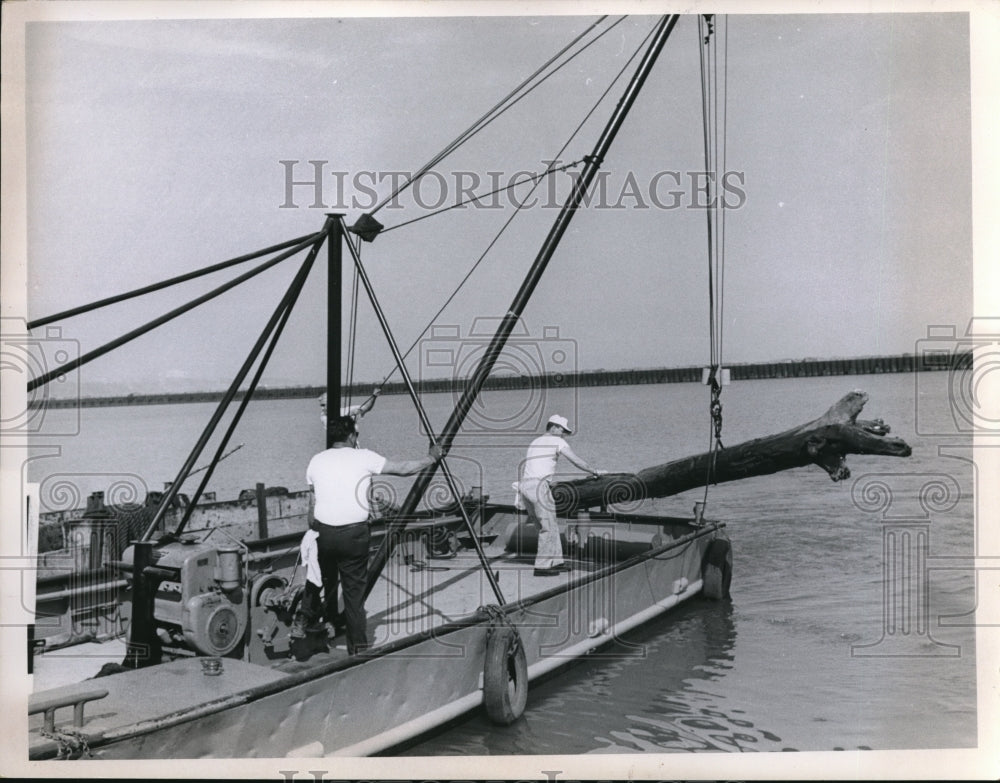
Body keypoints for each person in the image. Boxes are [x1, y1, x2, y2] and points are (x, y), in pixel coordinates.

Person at [297, 414, 440, 656]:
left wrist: (317, 530)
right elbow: (404, 469)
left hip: (325, 535)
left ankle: (305, 620)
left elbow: (312, 508)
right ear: (352, 436)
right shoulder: (364, 456)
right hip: (354, 536)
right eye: (356, 435)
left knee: (319, 578)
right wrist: (431, 458)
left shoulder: (316, 460)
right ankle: (358, 652)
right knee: (354, 597)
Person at [516, 414, 605, 577]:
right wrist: (595, 471)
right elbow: (576, 461)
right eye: (563, 430)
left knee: (550, 525)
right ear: (554, 427)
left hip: (525, 486)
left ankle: (556, 562)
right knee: (548, 527)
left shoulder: (535, 442)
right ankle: (542, 567)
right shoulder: (557, 441)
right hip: (539, 486)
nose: (564, 434)